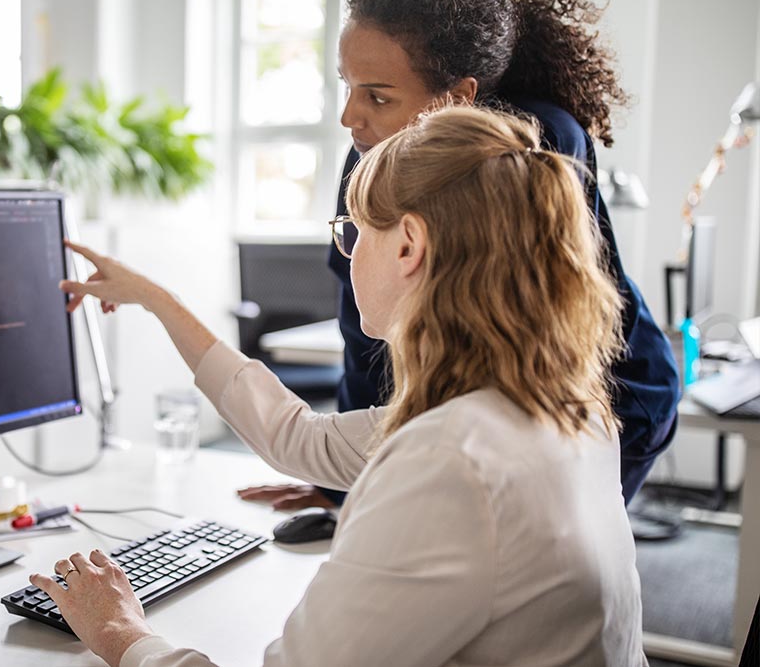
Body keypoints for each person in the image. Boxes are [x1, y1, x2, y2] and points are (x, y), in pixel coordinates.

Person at [33, 106, 645, 666]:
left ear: (408, 245)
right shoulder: (558, 407)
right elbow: (302, 438)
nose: (347, 256)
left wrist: (120, 634)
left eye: (351, 233)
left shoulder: (451, 461)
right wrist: (159, 302)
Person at [239, 0, 680, 514]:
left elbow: (524, 353)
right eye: (348, 86)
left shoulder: (532, 149)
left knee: (521, 566)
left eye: (378, 97)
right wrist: (343, 486)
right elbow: (364, 338)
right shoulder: (368, 159)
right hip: (485, 413)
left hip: (607, 396)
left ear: (458, 97)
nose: (349, 117)